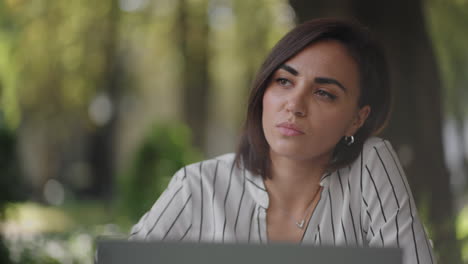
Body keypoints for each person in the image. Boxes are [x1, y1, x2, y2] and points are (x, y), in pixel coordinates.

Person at [129, 18, 435, 264]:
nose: (295, 105)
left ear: (356, 119)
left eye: (324, 93)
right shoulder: (198, 187)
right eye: (284, 81)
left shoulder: (370, 166)